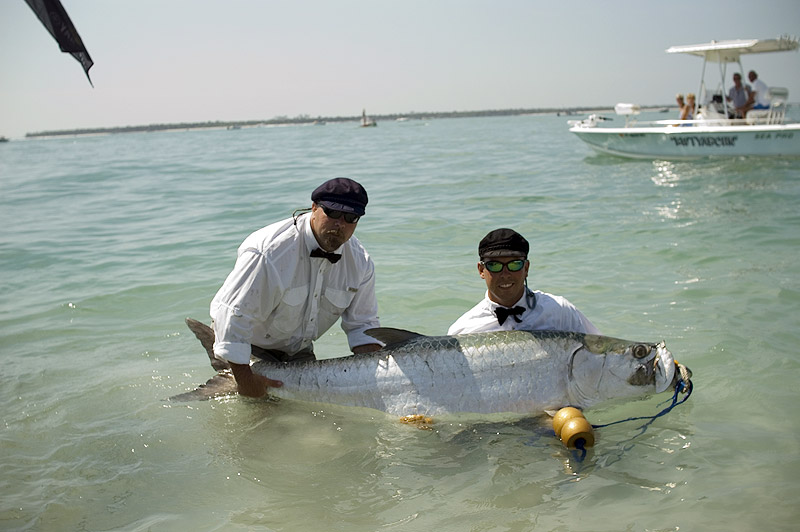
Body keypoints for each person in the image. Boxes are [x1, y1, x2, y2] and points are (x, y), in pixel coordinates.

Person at [210, 177, 382, 397]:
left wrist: (377, 384)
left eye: (350, 217)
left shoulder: (361, 262)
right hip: (249, 345)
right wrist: (245, 380)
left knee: (307, 420)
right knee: (260, 417)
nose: (340, 224)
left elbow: (362, 327)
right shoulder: (268, 252)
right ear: (314, 208)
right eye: (332, 213)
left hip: (298, 350)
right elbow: (234, 318)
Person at [447, 228, 600, 335]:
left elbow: (599, 355)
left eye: (514, 264)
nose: (505, 274)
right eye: (494, 265)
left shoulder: (560, 312)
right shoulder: (463, 331)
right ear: (481, 270)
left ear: (526, 268)